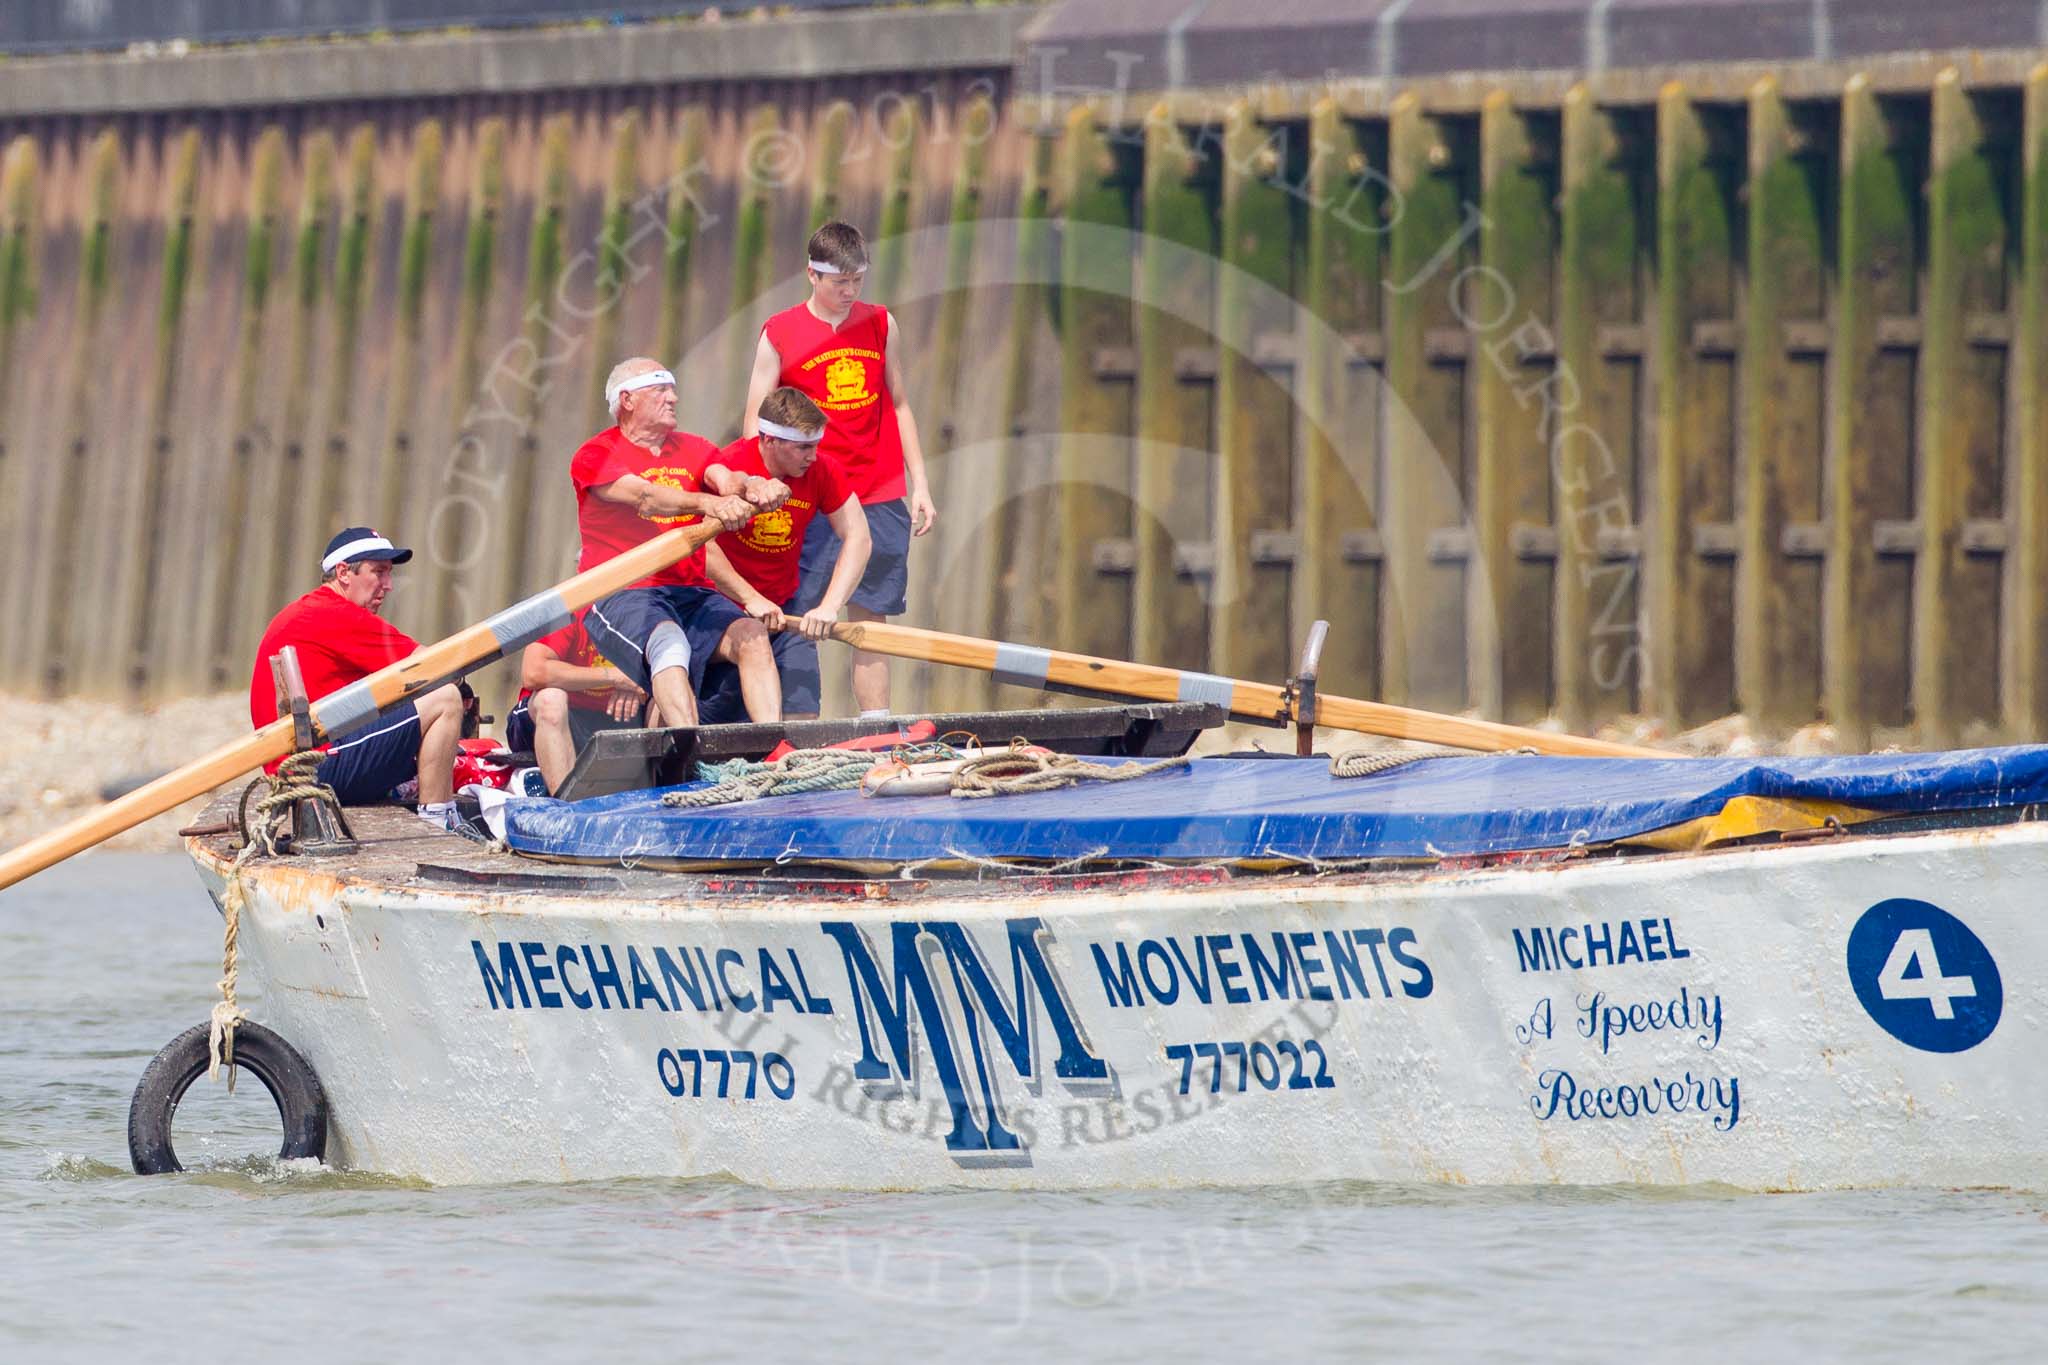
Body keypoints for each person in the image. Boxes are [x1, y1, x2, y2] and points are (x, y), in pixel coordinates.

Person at [743, 220, 934, 716]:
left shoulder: (880, 323)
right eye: (838, 282)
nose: (849, 292)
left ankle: (876, 729)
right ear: (812, 274)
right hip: (811, 496)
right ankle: (799, 729)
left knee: (871, 618)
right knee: (801, 613)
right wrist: (757, 486)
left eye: (857, 281)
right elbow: (754, 421)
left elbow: (900, 405)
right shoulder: (780, 332)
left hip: (877, 490)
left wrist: (921, 485)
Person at [574, 357, 790, 727]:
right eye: (660, 390)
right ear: (627, 400)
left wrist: (757, 487)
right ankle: (691, 745)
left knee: (752, 634)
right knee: (669, 643)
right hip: (623, 592)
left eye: (673, 389)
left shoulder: (694, 447)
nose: (673, 398)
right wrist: (709, 503)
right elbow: (646, 498)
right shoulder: (595, 455)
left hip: (690, 591)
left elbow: (726, 479)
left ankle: (773, 744)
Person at [248, 526, 464, 830]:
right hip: (314, 770)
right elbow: (434, 666)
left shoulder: (310, 609)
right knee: (444, 699)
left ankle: (416, 792)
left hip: (296, 764)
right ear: (343, 573)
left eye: (390, 574)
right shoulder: (335, 614)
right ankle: (439, 820)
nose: (388, 585)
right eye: (378, 572)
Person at [705, 388, 870, 720]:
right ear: (769, 440)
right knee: (717, 726)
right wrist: (750, 598)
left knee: (803, 717)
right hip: (719, 611)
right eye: (803, 448)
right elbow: (702, 549)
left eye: (816, 446)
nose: (812, 456)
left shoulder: (822, 470)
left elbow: (859, 537)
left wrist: (829, 606)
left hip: (785, 610)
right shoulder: (730, 466)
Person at [503, 621, 659, 794]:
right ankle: (567, 808)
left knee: (664, 698)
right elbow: (533, 673)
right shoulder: (572, 607)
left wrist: (640, 682)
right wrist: (615, 676)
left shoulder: (647, 606)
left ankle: (670, 796)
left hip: (621, 715)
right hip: (555, 718)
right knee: (551, 699)